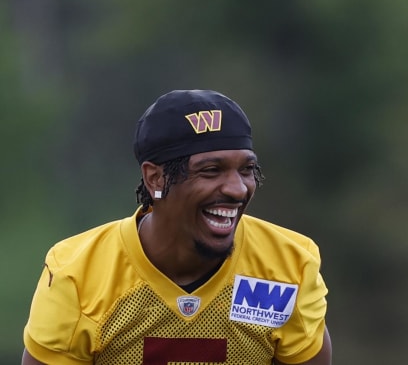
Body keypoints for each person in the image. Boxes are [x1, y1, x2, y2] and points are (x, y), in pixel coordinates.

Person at [22, 89, 331, 365]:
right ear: (155, 178)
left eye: (247, 169)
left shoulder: (290, 264)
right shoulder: (76, 274)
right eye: (211, 170)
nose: (238, 189)